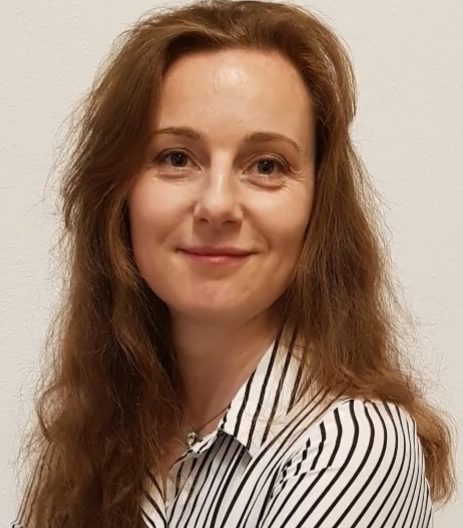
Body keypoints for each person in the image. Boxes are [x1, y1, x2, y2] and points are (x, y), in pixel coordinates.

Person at [11, 0, 455, 527]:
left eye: (266, 165)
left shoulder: (355, 446)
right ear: (118, 194)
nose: (217, 204)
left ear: (319, 208)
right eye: (176, 157)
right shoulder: (94, 436)